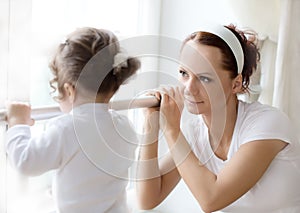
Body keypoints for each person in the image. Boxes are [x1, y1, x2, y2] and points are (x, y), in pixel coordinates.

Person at [136, 24, 300, 212]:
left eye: (205, 78)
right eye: (184, 74)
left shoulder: (268, 124)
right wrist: (150, 126)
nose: (189, 88)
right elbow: (148, 199)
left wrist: (171, 129)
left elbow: (211, 200)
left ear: (236, 84)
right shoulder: (195, 132)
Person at [6, 27, 140, 213]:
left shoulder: (66, 128)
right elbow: (94, 172)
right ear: (113, 87)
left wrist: (17, 123)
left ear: (69, 90)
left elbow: (26, 161)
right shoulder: (125, 127)